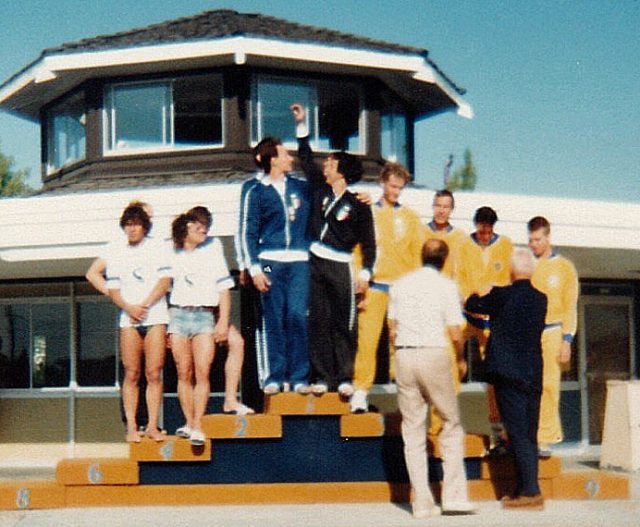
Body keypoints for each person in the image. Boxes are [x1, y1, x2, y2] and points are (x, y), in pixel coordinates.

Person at [293, 103, 376, 397]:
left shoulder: (359, 205)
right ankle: (323, 377)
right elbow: (305, 158)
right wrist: (302, 126)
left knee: (344, 321)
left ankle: (344, 376)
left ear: (342, 170)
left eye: (330, 162)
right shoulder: (319, 190)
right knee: (318, 319)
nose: (325, 165)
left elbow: (369, 243)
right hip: (315, 262)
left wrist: (366, 273)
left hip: (341, 265)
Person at [388, 239, 475, 518]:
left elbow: (392, 327)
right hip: (434, 352)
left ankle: (422, 503)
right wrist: (461, 359)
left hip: (404, 353)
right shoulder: (447, 286)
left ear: (421, 256)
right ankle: (454, 497)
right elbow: (455, 331)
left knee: (412, 429)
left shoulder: (400, 284)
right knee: (450, 423)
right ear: (444, 260)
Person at [465, 248, 547, 510]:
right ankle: (524, 488)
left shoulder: (501, 295)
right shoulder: (540, 299)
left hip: (508, 373)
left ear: (512, 270)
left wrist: (481, 292)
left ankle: (531, 492)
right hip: (533, 373)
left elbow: (473, 306)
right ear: (531, 271)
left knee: (517, 433)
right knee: (529, 434)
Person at [169, 209, 253, 446]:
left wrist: (223, 321)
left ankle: (211, 413)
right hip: (178, 314)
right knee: (183, 372)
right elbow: (163, 288)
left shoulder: (213, 248)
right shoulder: (170, 251)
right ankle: (190, 422)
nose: (205, 229)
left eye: (208, 224)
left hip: (206, 313)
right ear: (186, 225)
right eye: (200, 224)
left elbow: (223, 288)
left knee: (204, 369)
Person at [350, 162, 425, 413]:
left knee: (402, 343)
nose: (396, 191)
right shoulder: (368, 212)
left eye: (400, 188)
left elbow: (417, 255)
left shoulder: (411, 218)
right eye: (393, 186)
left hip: (401, 288)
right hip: (374, 286)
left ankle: (407, 393)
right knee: (368, 341)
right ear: (382, 183)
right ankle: (360, 391)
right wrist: (359, 283)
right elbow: (358, 251)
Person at [86, 201, 162, 436]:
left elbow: (165, 278)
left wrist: (144, 304)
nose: (134, 226)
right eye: (130, 222)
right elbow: (92, 273)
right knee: (131, 373)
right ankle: (131, 425)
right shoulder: (116, 247)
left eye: (142, 220)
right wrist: (118, 297)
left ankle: (151, 425)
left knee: (153, 372)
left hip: (154, 314)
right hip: (128, 316)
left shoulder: (156, 246)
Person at [244, 136, 312, 395]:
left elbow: (315, 174)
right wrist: (254, 268)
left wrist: (302, 131)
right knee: (273, 316)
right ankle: (275, 375)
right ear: (272, 159)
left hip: (298, 261)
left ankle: (299, 377)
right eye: (285, 155)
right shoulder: (255, 190)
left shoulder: (300, 187)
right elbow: (247, 231)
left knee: (297, 315)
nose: (290, 159)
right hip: (270, 262)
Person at [458, 206, 513, 447]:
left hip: (491, 319)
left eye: (488, 231)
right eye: (481, 230)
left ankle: (499, 429)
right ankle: (443, 423)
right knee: (450, 361)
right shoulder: (463, 246)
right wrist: (471, 297)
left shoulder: (505, 246)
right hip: (467, 313)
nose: (484, 235)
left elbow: (508, 281)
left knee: (495, 372)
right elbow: (459, 279)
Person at [528, 216, 578, 455]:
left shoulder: (564, 267)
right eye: (530, 240)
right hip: (527, 332)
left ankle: (545, 437)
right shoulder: (526, 264)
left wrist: (567, 339)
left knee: (549, 383)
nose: (533, 244)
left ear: (547, 237)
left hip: (552, 330)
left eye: (537, 239)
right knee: (526, 384)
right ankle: (523, 434)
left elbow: (570, 306)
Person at [424, 189, 467, 434]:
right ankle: (431, 428)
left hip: (448, 305)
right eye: (438, 205)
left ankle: (443, 425)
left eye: (446, 206)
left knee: (450, 364)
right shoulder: (422, 232)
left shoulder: (459, 238)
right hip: (427, 305)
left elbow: (460, 270)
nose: (441, 210)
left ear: (451, 210)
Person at [235, 149, 267, 408]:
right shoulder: (251, 187)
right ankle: (263, 386)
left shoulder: (291, 186)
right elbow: (243, 228)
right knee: (261, 324)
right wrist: (245, 263)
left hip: (288, 264)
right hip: (259, 263)